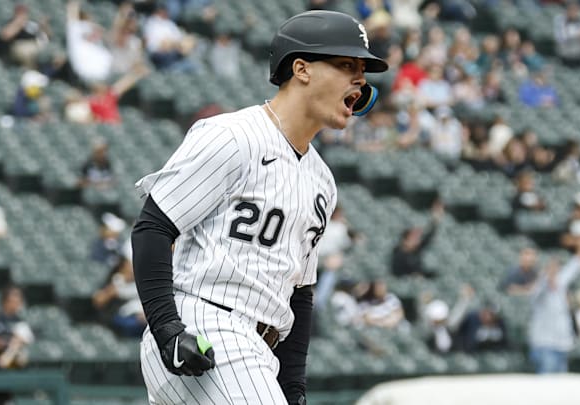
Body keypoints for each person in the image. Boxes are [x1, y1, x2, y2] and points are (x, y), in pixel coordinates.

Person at [131, 10, 388, 405]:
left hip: (259, 347)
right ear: (301, 68)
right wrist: (167, 328)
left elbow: (299, 293)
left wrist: (293, 389)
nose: (360, 79)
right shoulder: (233, 136)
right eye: (345, 64)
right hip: (206, 324)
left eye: (363, 70)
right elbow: (153, 226)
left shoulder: (322, 181)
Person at [529, 236, 580, 374]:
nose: (554, 269)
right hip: (545, 346)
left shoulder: (560, 284)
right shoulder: (540, 288)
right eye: (551, 266)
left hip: (562, 344)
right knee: (547, 389)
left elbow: (578, 262)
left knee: (561, 388)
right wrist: (548, 272)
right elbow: (542, 285)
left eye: (557, 266)